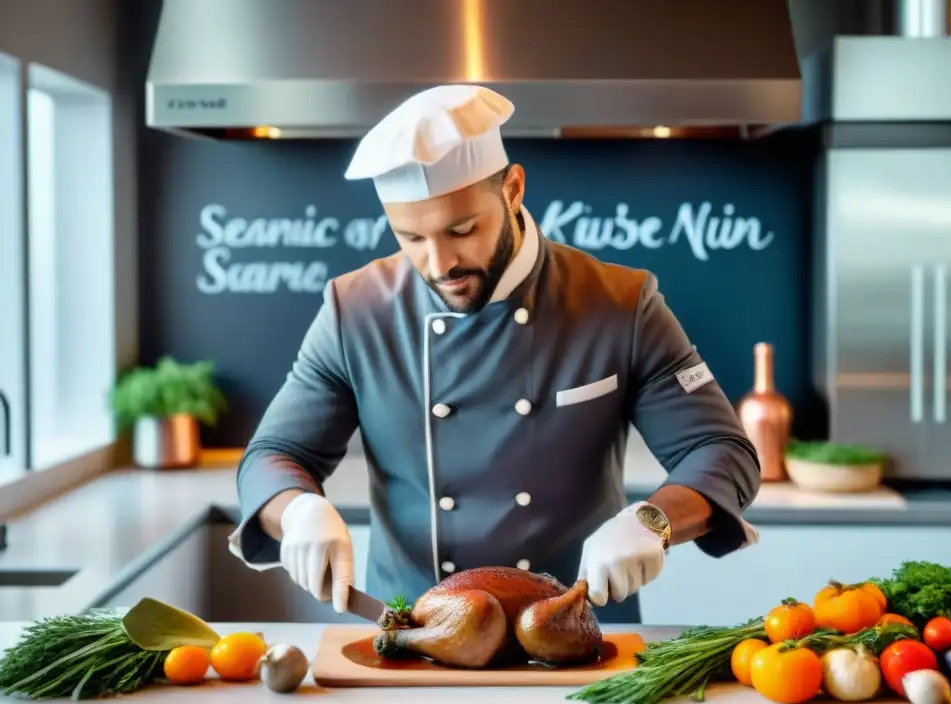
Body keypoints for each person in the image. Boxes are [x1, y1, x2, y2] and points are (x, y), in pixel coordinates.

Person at [227, 84, 762, 624]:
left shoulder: (621, 303)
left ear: (512, 188)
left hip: (577, 631)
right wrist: (297, 510)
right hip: (413, 634)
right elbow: (272, 455)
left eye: (462, 230)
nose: (439, 264)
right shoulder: (355, 312)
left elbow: (722, 451)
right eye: (410, 237)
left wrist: (653, 521)